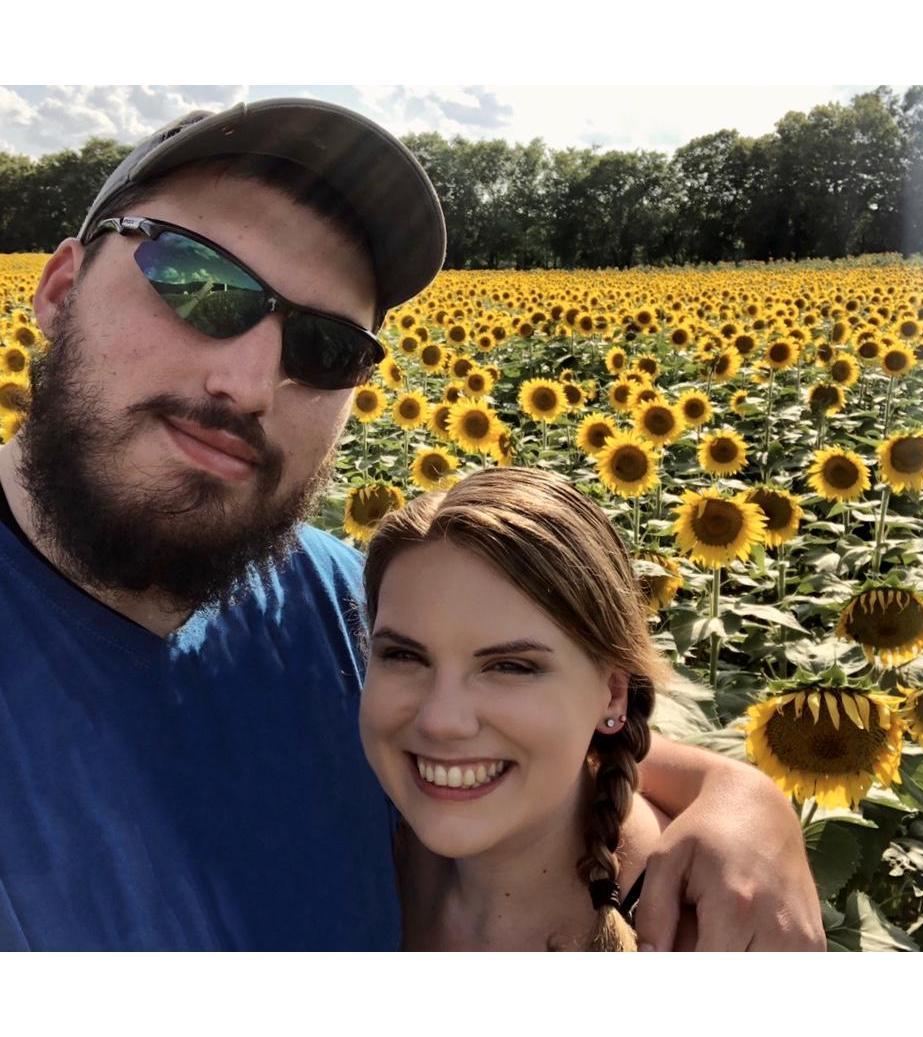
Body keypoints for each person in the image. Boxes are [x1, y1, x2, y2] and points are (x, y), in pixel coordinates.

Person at [0, 98, 823, 950]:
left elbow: (541, 726)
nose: (247, 383)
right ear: (60, 292)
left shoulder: (333, 599)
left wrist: (741, 796)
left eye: (324, 347)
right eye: (197, 284)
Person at [360, 467, 693, 950]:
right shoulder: (353, 840)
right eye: (404, 656)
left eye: (510, 667)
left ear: (614, 694)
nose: (441, 720)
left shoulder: (702, 931)